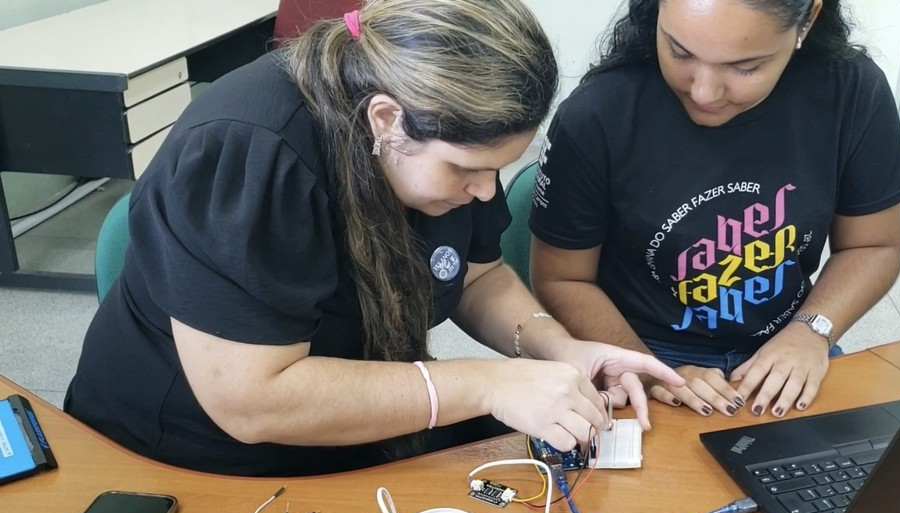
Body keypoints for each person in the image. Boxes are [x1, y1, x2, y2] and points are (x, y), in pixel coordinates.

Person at [64, 0, 684, 478]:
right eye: (466, 169)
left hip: (364, 410)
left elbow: (478, 273)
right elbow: (252, 400)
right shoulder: (253, 150)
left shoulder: (423, 147)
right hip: (192, 457)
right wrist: (488, 383)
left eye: (498, 168)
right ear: (386, 120)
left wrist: (558, 348)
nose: (487, 193)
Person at [529, 0, 900, 420]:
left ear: (808, 19)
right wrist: (652, 372)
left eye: (745, 67)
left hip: (792, 338)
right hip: (636, 349)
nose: (703, 91)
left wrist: (812, 331)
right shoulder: (597, 113)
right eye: (679, 52)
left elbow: (873, 245)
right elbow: (562, 276)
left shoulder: (851, 90)